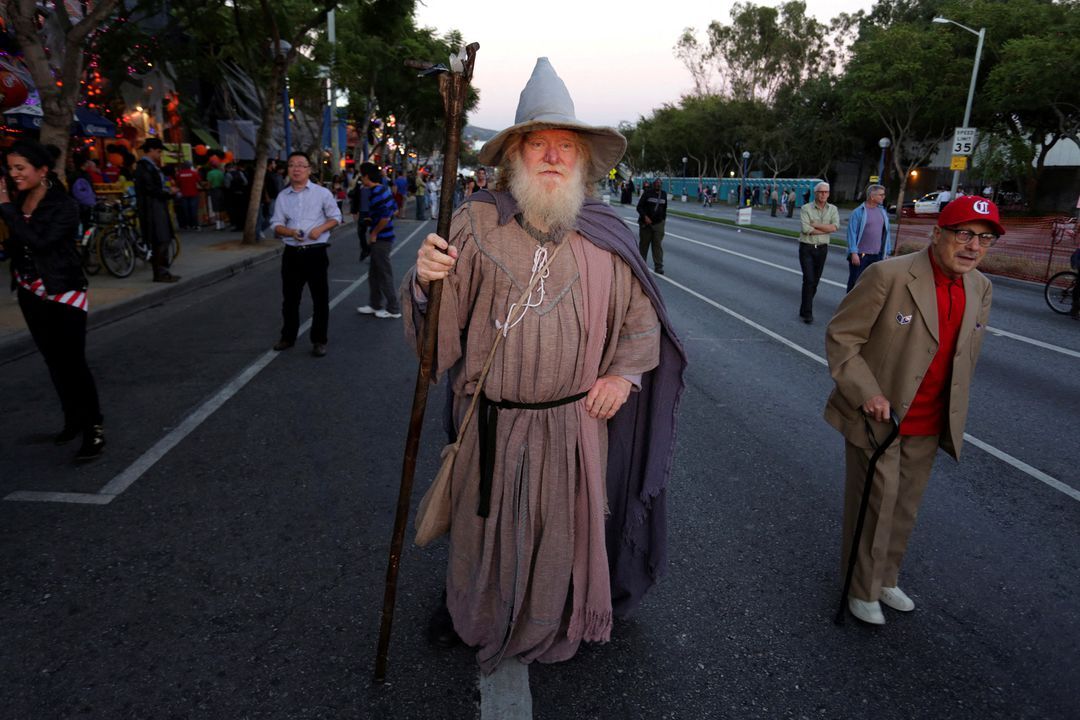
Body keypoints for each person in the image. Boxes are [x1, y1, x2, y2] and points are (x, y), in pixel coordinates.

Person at [403, 57, 686, 674]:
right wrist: (426, 284)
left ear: (582, 160)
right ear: (516, 156)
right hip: (492, 422)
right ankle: (469, 614)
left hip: (572, 422)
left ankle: (551, 615)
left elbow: (641, 318)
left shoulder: (607, 234)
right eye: (539, 143)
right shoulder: (475, 224)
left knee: (558, 531)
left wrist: (623, 375)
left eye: (565, 145)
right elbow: (439, 345)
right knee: (483, 530)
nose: (553, 156)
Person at [824, 195, 1001, 625]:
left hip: (930, 419)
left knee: (905, 506)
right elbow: (842, 337)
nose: (972, 247)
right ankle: (860, 588)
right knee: (876, 503)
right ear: (937, 234)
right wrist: (867, 392)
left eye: (984, 239)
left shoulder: (981, 287)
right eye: (963, 235)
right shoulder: (888, 275)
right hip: (880, 418)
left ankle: (885, 578)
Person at [0, 140, 105, 461]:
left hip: (64, 291)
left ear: (42, 171)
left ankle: (94, 428)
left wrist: (5, 206)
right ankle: (72, 419)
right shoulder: (20, 200)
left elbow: (41, 242)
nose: (14, 174)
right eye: (11, 168)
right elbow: (20, 243)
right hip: (30, 291)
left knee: (73, 363)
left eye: (21, 168)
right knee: (53, 361)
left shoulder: (63, 204)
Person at [269, 151, 342, 357]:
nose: (297, 169)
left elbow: (335, 216)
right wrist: (290, 232)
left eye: (301, 165)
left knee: (320, 298)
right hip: (292, 253)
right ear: (288, 170)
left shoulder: (322, 193)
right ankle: (287, 337)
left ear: (309, 169)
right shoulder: (283, 196)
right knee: (290, 299)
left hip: (316, 253)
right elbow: (276, 224)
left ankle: (319, 340)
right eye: (292, 165)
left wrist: (321, 229)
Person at [355, 162, 401, 319]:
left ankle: (393, 308)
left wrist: (374, 232)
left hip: (382, 239)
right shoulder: (382, 189)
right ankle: (375, 304)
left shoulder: (376, 192)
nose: (361, 178)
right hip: (383, 237)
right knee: (374, 274)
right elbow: (394, 209)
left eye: (362, 175)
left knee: (383, 274)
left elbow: (386, 217)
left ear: (366, 176)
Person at [134, 137, 181, 283]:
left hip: (156, 206)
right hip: (152, 208)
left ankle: (163, 271)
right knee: (161, 239)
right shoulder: (145, 167)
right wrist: (168, 192)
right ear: (152, 150)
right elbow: (151, 189)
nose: (160, 155)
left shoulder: (150, 167)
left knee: (163, 239)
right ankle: (160, 273)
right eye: (159, 151)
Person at [797, 181, 839, 323]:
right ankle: (808, 313)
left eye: (826, 192)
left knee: (815, 281)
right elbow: (806, 229)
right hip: (807, 248)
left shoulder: (833, 209)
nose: (823, 194)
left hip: (822, 249)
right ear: (815, 193)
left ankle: (804, 307)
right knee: (808, 280)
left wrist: (816, 225)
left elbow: (834, 227)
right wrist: (825, 229)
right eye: (821, 192)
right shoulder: (806, 208)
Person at [845, 183, 892, 292]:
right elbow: (851, 233)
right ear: (872, 196)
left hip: (877, 256)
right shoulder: (858, 212)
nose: (883, 197)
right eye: (881, 195)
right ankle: (850, 308)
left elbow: (886, 234)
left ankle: (863, 308)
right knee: (855, 284)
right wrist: (853, 252)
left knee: (871, 285)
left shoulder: (882, 212)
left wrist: (886, 253)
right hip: (861, 255)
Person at [636, 178, 667, 274]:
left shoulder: (664, 194)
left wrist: (663, 220)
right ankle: (641, 265)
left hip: (658, 224)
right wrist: (645, 217)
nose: (658, 184)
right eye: (657, 183)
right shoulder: (647, 193)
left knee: (657, 245)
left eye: (660, 183)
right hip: (646, 224)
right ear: (653, 184)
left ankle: (658, 266)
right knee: (644, 245)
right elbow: (639, 207)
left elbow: (665, 208)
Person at [174, 161, 201, 230]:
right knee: (193, 210)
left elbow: (177, 184)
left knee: (185, 210)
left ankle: (187, 225)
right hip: (194, 193)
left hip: (183, 194)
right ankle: (195, 225)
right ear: (190, 166)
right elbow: (199, 181)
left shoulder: (179, 174)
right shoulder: (194, 173)